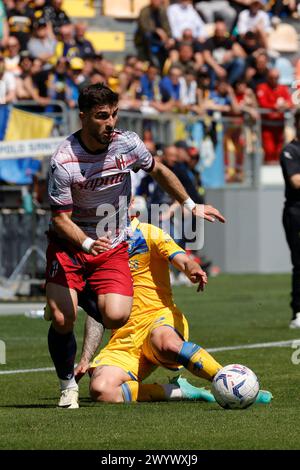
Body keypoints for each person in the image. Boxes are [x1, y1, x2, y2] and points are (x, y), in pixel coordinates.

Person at [46, 82, 225, 409]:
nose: (110, 122)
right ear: (83, 116)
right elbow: (59, 219)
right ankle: (67, 385)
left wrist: (189, 205)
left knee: (113, 315)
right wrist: (86, 242)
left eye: (114, 114)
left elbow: (157, 170)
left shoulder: (127, 144)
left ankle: (224, 380)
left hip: (110, 249)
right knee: (63, 322)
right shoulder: (64, 160)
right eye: (102, 116)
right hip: (73, 244)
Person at [73, 215, 272, 406]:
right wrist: (85, 358)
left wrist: (192, 269)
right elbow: (97, 311)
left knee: (166, 343)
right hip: (124, 339)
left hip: (157, 319)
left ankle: (235, 384)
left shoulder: (149, 233)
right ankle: (179, 391)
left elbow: (182, 259)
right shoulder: (97, 248)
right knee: (101, 390)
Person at [280, 110, 300, 329]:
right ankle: (298, 311)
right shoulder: (290, 150)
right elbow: (296, 181)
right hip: (296, 212)